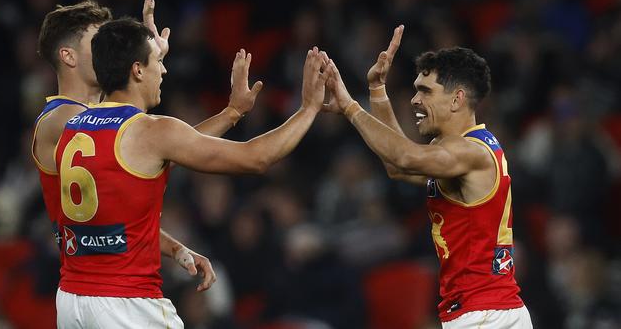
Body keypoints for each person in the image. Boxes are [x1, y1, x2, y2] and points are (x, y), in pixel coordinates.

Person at [53, 17, 329, 328]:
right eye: (158, 60)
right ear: (137, 70)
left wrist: (232, 113)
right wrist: (308, 109)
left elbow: (164, 161)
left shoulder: (75, 127)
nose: (164, 70)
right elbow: (258, 158)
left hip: (72, 301)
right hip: (127, 304)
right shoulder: (151, 131)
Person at [32, 0, 260, 307]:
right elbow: (162, 146)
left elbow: (157, 154)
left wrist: (175, 248)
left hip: (92, 289)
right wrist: (143, 59)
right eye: (97, 39)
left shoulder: (95, 119)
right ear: (68, 56)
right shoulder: (65, 119)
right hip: (106, 291)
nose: (106, 45)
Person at [324, 25, 533, 328]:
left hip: (486, 315)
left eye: (425, 91)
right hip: (480, 312)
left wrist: (350, 107)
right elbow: (398, 167)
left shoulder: (470, 152)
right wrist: (378, 92)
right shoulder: (449, 152)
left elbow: (405, 156)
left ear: (456, 99)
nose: (414, 100)